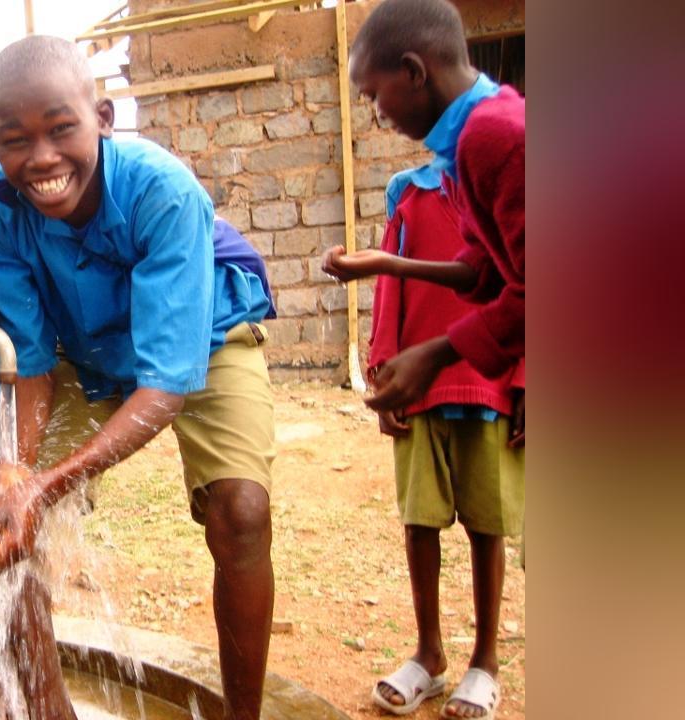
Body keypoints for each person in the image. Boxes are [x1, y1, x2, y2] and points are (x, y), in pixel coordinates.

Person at [0, 35, 278, 720]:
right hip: (88, 352)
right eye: (15, 140)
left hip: (206, 334)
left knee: (242, 511)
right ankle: (45, 709)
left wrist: (47, 484)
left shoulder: (161, 191)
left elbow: (167, 385)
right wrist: (17, 474)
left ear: (103, 118)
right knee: (1, 512)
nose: (41, 158)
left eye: (61, 129)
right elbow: (31, 363)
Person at [320, 0, 525, 443]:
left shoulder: (495, 136)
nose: (378, 113)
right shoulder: (467, 141)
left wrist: (436, 353)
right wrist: (390, 264)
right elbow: (486, 270)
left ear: (414, 71)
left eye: (374, 95)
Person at [366, 165, 523, 719]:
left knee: (487, 524)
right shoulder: (407, 192)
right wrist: (383, 365)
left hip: (492, 381)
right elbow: (390, 283)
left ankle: (485, 661)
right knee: (420, 520)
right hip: (418, 380)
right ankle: (429, 655)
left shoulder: (511, 190)